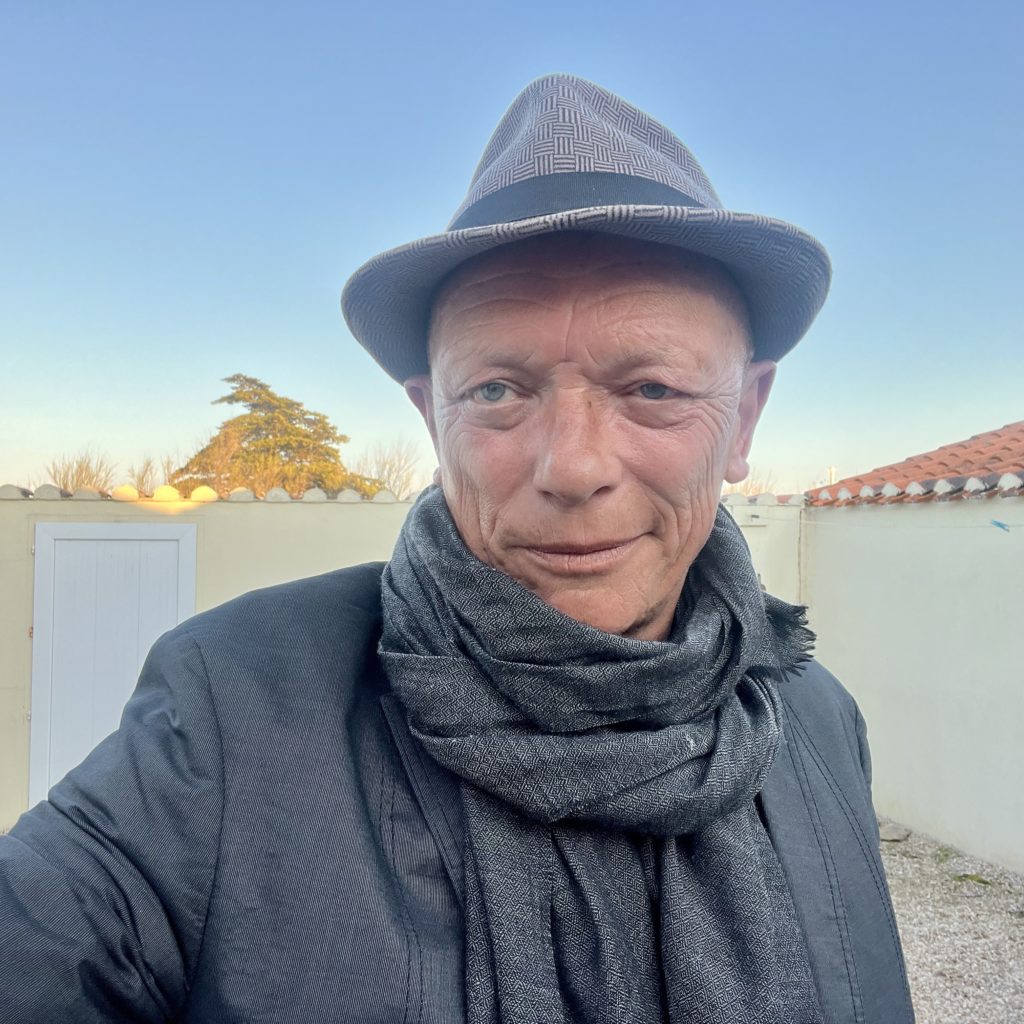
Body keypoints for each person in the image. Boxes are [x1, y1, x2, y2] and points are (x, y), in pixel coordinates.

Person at [0, 74, 914, 1024]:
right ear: (432, 420)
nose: (572, 467)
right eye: (497, 391)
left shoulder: (817, 719)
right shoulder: (237, 705)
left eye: (651, 389)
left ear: (745, 418)